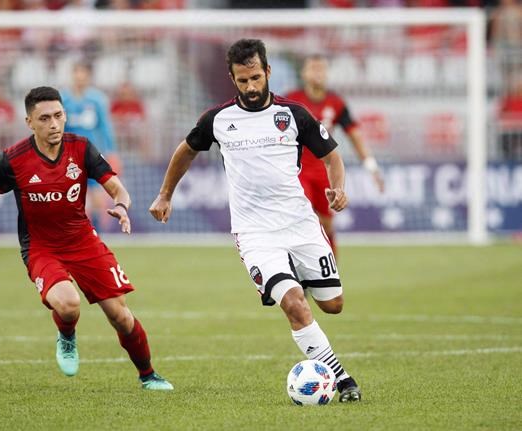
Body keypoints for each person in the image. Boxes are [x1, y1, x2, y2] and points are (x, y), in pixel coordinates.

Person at [149, 39, 361, 402]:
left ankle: (291, 276)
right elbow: (186, 151)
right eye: (243, 80)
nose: (250, 87)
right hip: (255, 233)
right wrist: (165, 194)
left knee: (333, 304)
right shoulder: (217, 119)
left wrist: (338, 188)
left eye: (256, 78)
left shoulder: (293, 115)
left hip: (300, 224)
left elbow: (332, 157)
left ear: (268, 72)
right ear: (233, 79)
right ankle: (343, 380)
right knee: (294, 304)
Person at [0, 86, 173, 390]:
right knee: (68, 304)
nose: (54, 124)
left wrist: (120, 206)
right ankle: (66, 336)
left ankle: (148, 375)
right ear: (29, 122)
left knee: (120, 316)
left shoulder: (81, 148)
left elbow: (117, 188)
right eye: (45, 118)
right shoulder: (13, 160)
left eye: (58, 115)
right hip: (41, 248)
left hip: (83, 241)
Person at [286, 55, 384, 255]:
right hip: (298, 171)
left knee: (327, 225)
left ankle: (331, 269)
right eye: (313, 68)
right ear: (304, 73)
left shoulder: (336, 103)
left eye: (321, 68)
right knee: (303, 217)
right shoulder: (290, 101)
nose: (317, 73)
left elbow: (355, 136)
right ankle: (299, 267)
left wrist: (372, 167)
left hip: (326, 171)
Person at [61, 61, 121, 232]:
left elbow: (104, 127)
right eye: (77, 73)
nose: (79, 77)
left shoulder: (97, 99)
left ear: (88, 76)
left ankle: (96, 233)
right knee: (69, 194)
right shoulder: (63, 99)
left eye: (83, 74)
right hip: (69, 155)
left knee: (96, 194)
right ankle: (71, 233)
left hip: (92, 153)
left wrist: (111, 151)